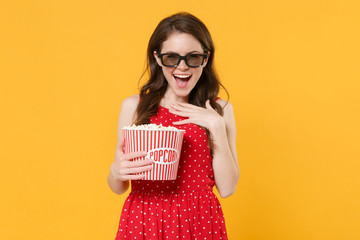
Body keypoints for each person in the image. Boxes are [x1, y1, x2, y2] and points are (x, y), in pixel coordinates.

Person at [107, 12, 239, 240]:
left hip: (199, 219)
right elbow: (119, 186)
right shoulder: (134, 106)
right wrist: (115, 172)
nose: (182, 67)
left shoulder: (221, 110)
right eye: (171, 58)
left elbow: (227, 189)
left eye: (193, 57)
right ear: (157, 58)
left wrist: (216, 126)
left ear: (205, 59)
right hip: (144, 218)